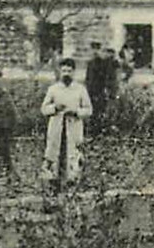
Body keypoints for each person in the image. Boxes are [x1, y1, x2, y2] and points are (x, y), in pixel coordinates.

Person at [40, 56, 92, 186]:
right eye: (64, 71)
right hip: (57, 126)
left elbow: (88, 109)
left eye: (69, 71)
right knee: (54, 152)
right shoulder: (54, 89)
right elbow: (43, 109)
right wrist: (55, 108)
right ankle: (53, 180)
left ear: (74, 72)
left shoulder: (80, 89)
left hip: (73, 126)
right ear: (60, 71)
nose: (66, 74)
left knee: (73, 152)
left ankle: (72, 180)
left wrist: (76, 112)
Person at [85, 40, 120, 130]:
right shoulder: (90, 63)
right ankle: (92, 128)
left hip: (99, 91)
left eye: (97, 49)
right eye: (93, 49)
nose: (94, 52)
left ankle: (101, 128)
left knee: (101, 109)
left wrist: (105, 89)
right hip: (91, 91)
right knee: (92, 111)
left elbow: (106, 78)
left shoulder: (104, 63)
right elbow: (88, 79)